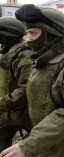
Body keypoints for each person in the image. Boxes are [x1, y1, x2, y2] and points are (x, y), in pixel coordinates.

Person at [0, 4, 64, 157]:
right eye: (28, 33)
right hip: (53, 145)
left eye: (33, 33)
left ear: (51, 34)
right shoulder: (43, 61)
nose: (28, 40)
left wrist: (30, 145)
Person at [0, 17, 33, 152]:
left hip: (26, 113)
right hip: (9, 111)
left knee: (46, 147)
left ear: (9, 36)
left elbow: (25, 89)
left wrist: (2, 103)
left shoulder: (25, 56)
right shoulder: (9, 53)